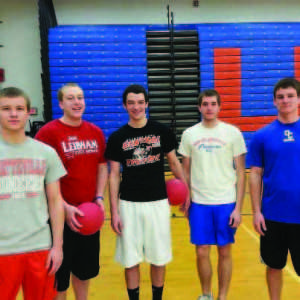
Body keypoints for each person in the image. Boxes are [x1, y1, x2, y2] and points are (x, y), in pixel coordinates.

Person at [105, 84, 189, 300]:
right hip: (128, 204)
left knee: (158, 257)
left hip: (158, 203)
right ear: (125, 106)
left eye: (140, 102)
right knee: (130, 259)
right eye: (131, 103)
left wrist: (187, 191)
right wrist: (113, 212)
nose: (136, 107)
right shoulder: (117, 137)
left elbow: (174, 162)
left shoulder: (161, 131)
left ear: (147, 104)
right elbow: (114, 175)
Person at [35, 83, 108, 300]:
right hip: (59, 218)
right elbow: (39, 176)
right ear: (61, 104)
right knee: (59, 277)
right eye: (71, 98)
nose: (77, 102)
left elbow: (102, 166)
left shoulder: (94, 132)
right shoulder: (47, 133)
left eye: (80, 97)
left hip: (88, 216)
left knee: (84, 273)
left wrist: (99, 197)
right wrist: (63, 207)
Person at [178, 89, 246, 300]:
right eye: (205, 104)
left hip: (226, 201)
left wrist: (238, 208)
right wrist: (186, 196)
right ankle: (206, 294)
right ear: (199, 107)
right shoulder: (190, 134)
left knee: (225, 251)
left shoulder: (232, 133)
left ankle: (222, 296)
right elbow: (185, 171)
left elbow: (241, 173)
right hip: (199, 202)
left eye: (213, 104)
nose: (209, 108)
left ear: (219, 107)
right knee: (201, 251)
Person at [0, 87, 66, 300]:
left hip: (39, 247)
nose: (13, 114)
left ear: (29, 112)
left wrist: (57, 246)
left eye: (19, 108)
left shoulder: (45, 152)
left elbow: (55, 201)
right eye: (6, 108)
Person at [248, 77, 300, 300]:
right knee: (273, 265)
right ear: (274, 101)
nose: (285, 100)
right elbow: (255, 175)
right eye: (280, 97)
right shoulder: (262, 136)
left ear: (298, 99)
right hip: (272, 215)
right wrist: (257, 211)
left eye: (290, 96)